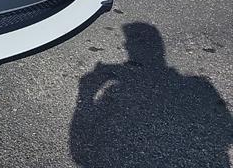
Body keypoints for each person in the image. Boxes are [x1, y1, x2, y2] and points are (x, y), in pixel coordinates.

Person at [70, 22, 232, 167]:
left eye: (128, 44)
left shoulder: (116, 92)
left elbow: (80, 154)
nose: (126, 46)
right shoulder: (199, 85)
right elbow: (225, 133)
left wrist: (86, 92)